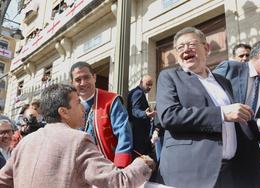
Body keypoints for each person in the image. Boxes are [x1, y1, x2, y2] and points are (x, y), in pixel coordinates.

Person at [156, 26, 260, 188]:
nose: (186, 49)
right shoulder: (169, 76)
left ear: (206, 48)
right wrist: (221, 113)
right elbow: (169, 116)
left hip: (229, 172)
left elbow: (235, 120)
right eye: (180, 47)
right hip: (191, 173)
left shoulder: (223, 82)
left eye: (191, 44)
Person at [0, 84, 155, 188]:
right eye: (78, 103)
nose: (84, 108)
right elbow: (118, 182)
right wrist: (143, 163)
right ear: (63, 112)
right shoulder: (78, 140)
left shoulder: (25, 142)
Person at [213, 39, 260, 185]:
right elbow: (206, 97)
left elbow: (251, 119)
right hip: (227, 152)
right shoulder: (231, 68)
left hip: (250, 152)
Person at [70, 62, 133, 168]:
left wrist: (119, 167)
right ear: (72, 83)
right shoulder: (69, 106)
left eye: (86, 77)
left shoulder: (112, 100)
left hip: (108, 165)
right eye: (78, 80)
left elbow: (124, 135)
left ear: (94, 77)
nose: (83, 83)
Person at [127, 75, 156, 158]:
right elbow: (135, 110)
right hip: (139, 133)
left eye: (151, 85)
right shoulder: (138, 93)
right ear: (140, 82)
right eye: (147, 84)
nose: (149, 87)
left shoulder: (135, 92)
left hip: (137, 132)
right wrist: (145, 114)